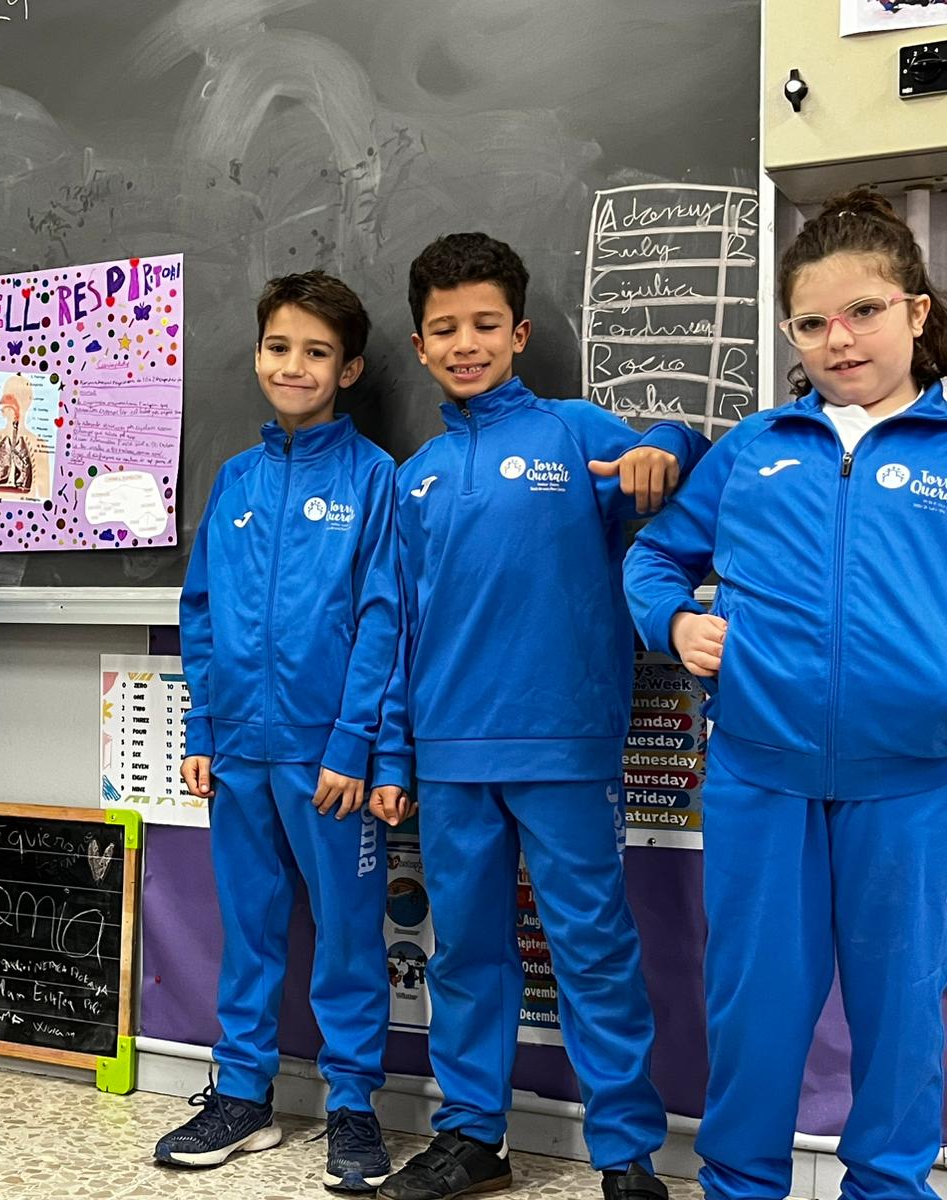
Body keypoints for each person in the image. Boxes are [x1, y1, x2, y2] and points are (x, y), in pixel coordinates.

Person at [624, 188, 947, 1200]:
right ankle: (740, 1185)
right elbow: (653, 557)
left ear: (916, 311)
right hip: (760, 777)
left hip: (914, 786)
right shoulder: (756, 447)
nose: (838, 339)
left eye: (865, 311)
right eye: (811, 322)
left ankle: (888, 1188)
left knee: (904, 1013)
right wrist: (674, 625)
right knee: (755, 1007)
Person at [371, 232, 709, 1200]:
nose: (465, 343)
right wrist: (392, 751)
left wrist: (665, 447)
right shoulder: (416, 475)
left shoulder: (573, 431)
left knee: (592, 947)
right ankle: (471, 1136)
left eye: (485, 324)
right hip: (449, 751)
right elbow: (396, 625)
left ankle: (626, 1155)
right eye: (445, 329)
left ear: (518, 334)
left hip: (565, 742)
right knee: (467, 954)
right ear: (420, 344)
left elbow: (678, 446)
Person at [155, 270, 399, 1194]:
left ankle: (353, 1106)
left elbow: (383, 620)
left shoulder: (373, 478)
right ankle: (243, 1095)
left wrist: (352, 744)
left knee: (348, 936)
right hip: (239, 752)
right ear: (258, 354)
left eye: (316, 352)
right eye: (278, 347)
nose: (293, 366)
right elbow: (202, 611)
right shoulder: (237, 480)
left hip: (328, 759)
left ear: (349, 369)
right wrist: (203, 726)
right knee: (248, 927)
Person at [0, 373, 52, 499]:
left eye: (19, 396)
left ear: (29, 401)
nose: (14, 403)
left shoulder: (39, 446)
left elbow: (45, 497)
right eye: (10, 396)